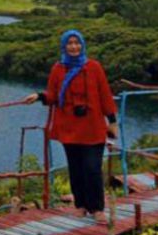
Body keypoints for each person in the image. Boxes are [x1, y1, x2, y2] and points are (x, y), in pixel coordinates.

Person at [21, 29, 119, 221]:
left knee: (92, 168)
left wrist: (112, 121)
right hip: (70, 127)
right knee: (76, 169)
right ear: (64, 47)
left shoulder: (94, 67)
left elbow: (105, 95)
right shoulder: (58, 69)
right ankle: (80, 205)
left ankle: (97, 208)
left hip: (93, 127)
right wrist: (39, 96)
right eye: (70, 43)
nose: (74, 47)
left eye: (77, 43)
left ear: (82, 45)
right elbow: (53, 95)